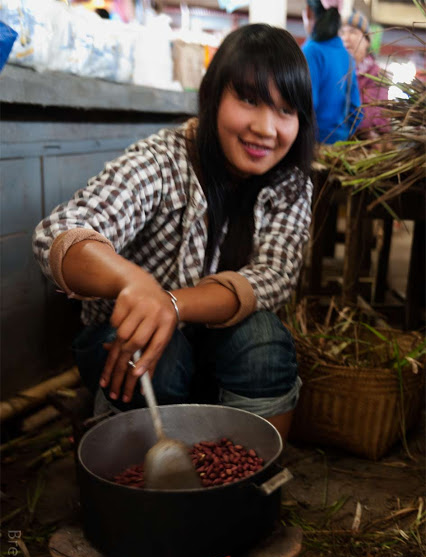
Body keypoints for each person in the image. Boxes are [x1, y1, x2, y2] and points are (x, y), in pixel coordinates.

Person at [32, 23, 315, 447]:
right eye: (249, 100)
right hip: (133, 353)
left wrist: (171, 304)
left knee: (265, 342)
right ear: (213, 95)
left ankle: (246, 485)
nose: (265, 128)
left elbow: (272, 277)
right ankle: (141, 472)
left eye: (285, 110)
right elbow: (59, 233)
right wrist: (133, 282)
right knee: (160, 358)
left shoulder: (292, 185)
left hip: (219, 349)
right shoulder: (162, 160)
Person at [302, 0, 362, 143]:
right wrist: (340, 137)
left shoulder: (311, 51)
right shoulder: (346, 55)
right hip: (338, 150)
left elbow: (306, 106)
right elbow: (357, 112)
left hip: (312, 147)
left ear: (309, 12)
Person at [340, 11, 389, 138]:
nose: (346, 37)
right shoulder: (339, 71)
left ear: (366, 41)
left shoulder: (377, 75)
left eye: (352, 32)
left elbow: (366, 119)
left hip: (365, 147)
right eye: (342, 33)